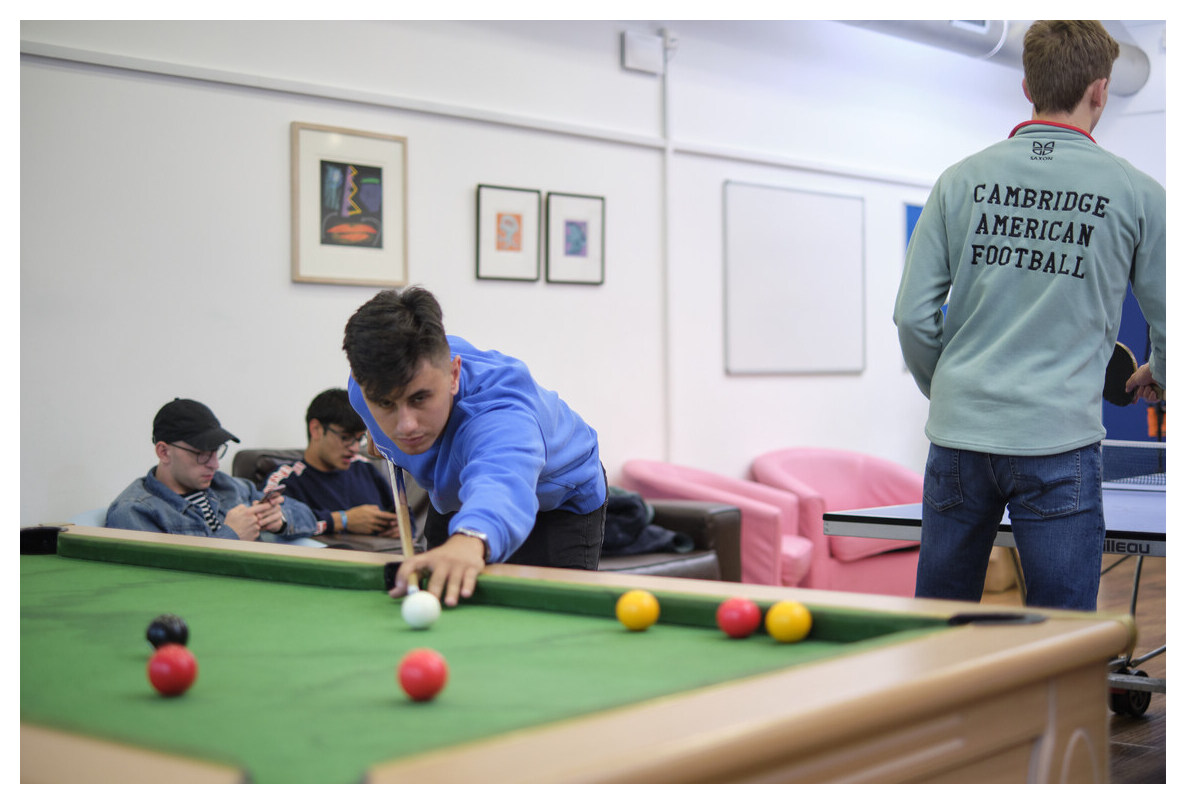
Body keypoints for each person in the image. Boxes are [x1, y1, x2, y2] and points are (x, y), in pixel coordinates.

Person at [894, 20, 1165, 611]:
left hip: (959, 435)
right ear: (1101, 90)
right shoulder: (1137, 193)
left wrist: (948, 390)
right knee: (1061, 637)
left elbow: (912, 318)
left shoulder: (958, 181)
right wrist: (1159, 370)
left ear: (1026, 86)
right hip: (1058, 442)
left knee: (940, 623)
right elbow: (1171, 314)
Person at [342, 286, 607, 606]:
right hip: (458, 493)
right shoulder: (362, 388)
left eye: (420, 398)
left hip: (560, 502)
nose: (405, 425)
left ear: (453, 374)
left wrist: (472, 539)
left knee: (552, 625)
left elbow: (503, 482)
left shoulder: (500, 413)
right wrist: (377, 429)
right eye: (385, 403)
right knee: (444, 592)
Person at [107, 398, 321, 545]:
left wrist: (279, 519)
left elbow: (309, 518)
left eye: (216, 452)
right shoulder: (134, 512)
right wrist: (230, 537)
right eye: (201, 453)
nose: (214, 465)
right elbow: (160, 580)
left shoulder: (228, 486)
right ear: (164, 452)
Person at [267, 388, 408, 541]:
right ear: (316, 430)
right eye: (345, 437)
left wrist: (400, 528)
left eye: (359, 438)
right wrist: (343, 520)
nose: (355, 448)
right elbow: (270, 519)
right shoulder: (288, 479)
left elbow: (403, 514)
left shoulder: (364, 467)